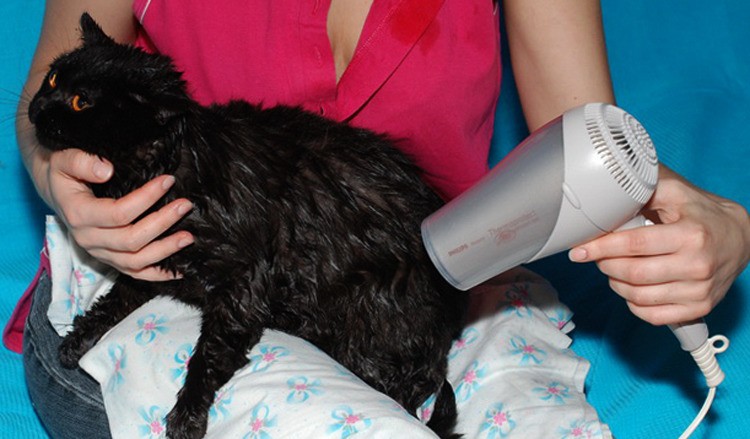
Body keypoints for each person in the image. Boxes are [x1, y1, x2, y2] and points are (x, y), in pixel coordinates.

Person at [12, 0, 750, 438]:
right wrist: (62, 182)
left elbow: (586, 145)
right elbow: (44, 106)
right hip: (163, 273)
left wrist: (707, 223)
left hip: (418, 279)